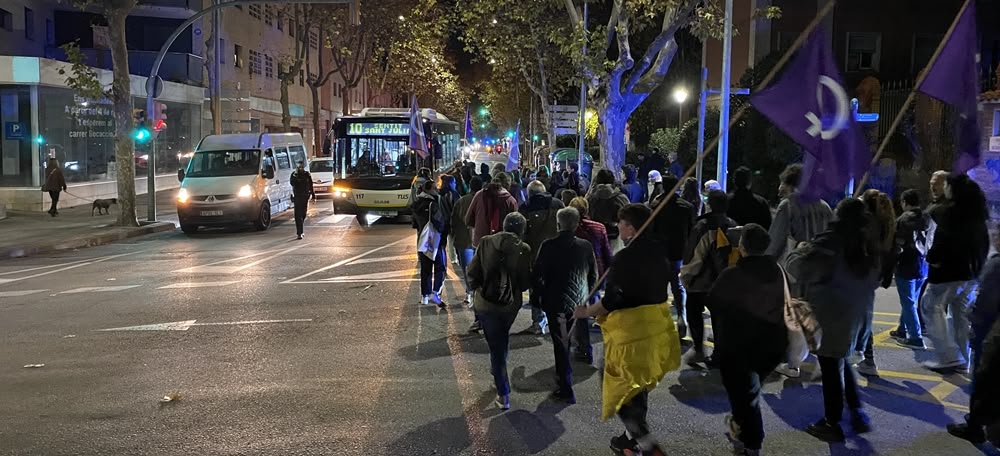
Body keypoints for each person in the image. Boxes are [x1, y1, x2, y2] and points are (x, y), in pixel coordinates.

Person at [573, 204, 679, 456]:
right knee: (638, 385)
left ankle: (646, 442)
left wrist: (585, 312)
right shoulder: (660, 252)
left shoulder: (624, 259)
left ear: (630, 228)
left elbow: (610, 301)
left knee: (617, 386)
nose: (617, 227)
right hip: (657, 329)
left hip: (631, 334)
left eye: (620, 223)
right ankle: (632, 439)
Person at [787, 198, 879, 443]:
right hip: (858, 312)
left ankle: (832, 422)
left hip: (832, 312)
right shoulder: (867, 242)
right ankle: (857, 411)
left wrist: (801, 248)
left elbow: (800, 269)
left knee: (830, 366)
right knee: (839, 360)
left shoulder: (830, 241)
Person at [710, 224, 787, 456]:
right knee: (748, 391)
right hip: (773, 344)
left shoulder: (733, 274)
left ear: (742, 247)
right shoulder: (777, 271)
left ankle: (752, 443)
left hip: (739, 348)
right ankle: (741, 426)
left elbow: (713, 302)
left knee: (744, 396)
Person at [768, 164, 834, 378]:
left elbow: (776, 241)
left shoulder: (788, 206)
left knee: (793, 315)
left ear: (790, 183)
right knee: (814, 314)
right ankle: (819, 356)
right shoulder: (824, 206)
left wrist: (766, 265)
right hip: (821, 270)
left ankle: (793, 363)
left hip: (795, 269)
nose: (780, 188)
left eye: (783, 183)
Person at [921, 174, 991, 373]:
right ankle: (962, 357)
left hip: (949, 271)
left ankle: (949, 356)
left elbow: (944, 241)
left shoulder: (952, 213)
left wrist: (933, 258)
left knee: (930, 306)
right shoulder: (977, 214)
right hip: (971, 273)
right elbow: (984, 244)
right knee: (959, 315)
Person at [467, 212, 533, 410]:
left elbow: (472, 272)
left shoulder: (486, 243)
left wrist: (476, 287)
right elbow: (523, 283)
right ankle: (498, 375)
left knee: (496, 346)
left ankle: (503, 391)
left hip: (486, 303)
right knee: (500, 341)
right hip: (509, 306)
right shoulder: (523, 249)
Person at [533, 207, 598, 404]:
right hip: (580, 300)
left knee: (561, 345)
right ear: (577, 224)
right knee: (574, 335)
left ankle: (565, 387)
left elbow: (538, 275)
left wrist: (538, 298)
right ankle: (584, 354)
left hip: (556, 301)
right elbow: (593, 274)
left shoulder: (548, 246)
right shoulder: (585, 246)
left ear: (558, 223)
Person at [947, 225, 1000, 444]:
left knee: (982, 375)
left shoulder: (996, 264)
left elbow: (985, 302)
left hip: (990, 331)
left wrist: (974, 322)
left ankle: (975, 426)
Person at [681, 190, 738, 366]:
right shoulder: (733, 225)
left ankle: (699, 350)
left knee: (694, 313)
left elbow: (695, 256)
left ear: (710, 205)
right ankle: (719, 355)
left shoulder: (703, 226)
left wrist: (686, 276)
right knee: (720, 318)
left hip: (701, 281)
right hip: (725, 282)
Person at [852, 189, 896, 377]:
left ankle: (866, 357)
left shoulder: (867, 222)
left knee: (859, 316)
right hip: (873, 273)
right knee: (863, 314)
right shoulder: (886, 221)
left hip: (862, 272)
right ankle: (863, 355)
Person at [567, 197, 614, 364]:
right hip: (598, 273)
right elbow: (607, 252)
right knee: (594, 300)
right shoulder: (599, 227)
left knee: (580, 312)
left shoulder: (570, 230)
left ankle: (584, 349)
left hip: (578, 276)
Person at [650, 174, 695, 339]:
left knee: (659, 286)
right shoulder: (686, 207)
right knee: (678, 286)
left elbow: (651, 230)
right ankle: (682, 317)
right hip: (678, 251)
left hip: (659, 252)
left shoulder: (655, 204)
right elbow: (692, 230)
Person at [520, 180, 565, 336]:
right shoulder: (558, 204)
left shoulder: (525, 207)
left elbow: (522, 233)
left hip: (535, 256)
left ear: (529, 193)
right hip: (558, 254)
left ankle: (538, 322)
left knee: (536, 289)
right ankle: (558, 320)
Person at [890, 189, 931, 350]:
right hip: (923, 264)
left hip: (906, 265)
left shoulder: (903, 219)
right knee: (911, 300)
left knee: (908, 302)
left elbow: (897, 243)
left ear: (905, 202)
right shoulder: (927, 218)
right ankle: (903, 329)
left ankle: (916, 337)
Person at [412, 180, 448, 307]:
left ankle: (424, 296)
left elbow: (414, 224)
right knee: (440, 267)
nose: (436, 190)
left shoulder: (416, 204)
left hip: (422, 240)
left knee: (425, 269)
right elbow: (439, 223)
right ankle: (435, 292)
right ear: (428, 189)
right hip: (435, 240)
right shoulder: (433, 204)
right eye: (434, 188)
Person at [465, 172, 518, 248]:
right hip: (501, 244)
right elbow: (515, 226)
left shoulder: (479, 195)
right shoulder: (511, 201)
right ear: (508, 185)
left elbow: (468, 219)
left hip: (481, 243)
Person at [453, 177, 483, 307]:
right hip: (482, 240)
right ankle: (478, 292)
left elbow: (454, 221)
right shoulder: (485, 200)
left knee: (467, 268)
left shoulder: (462, 201)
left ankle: (470, 291)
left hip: (464, 240)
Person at [588, 169, 631, 252]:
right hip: (616, 236)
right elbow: (629, 216)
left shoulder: (591, 198)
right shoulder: (621, 198)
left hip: (596, 235)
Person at [289, 161, 314, 240]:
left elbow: (311, 184)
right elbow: (292, 183)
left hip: (305, 197)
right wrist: (295, 175)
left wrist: (313, 195)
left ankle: (300, 227)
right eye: (299, 167)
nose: (301, 168)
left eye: (302, 167)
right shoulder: (294, 175)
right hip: (297, 197)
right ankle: (300, 232)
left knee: (303, 214)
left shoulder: (307, 174)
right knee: (297, 215)